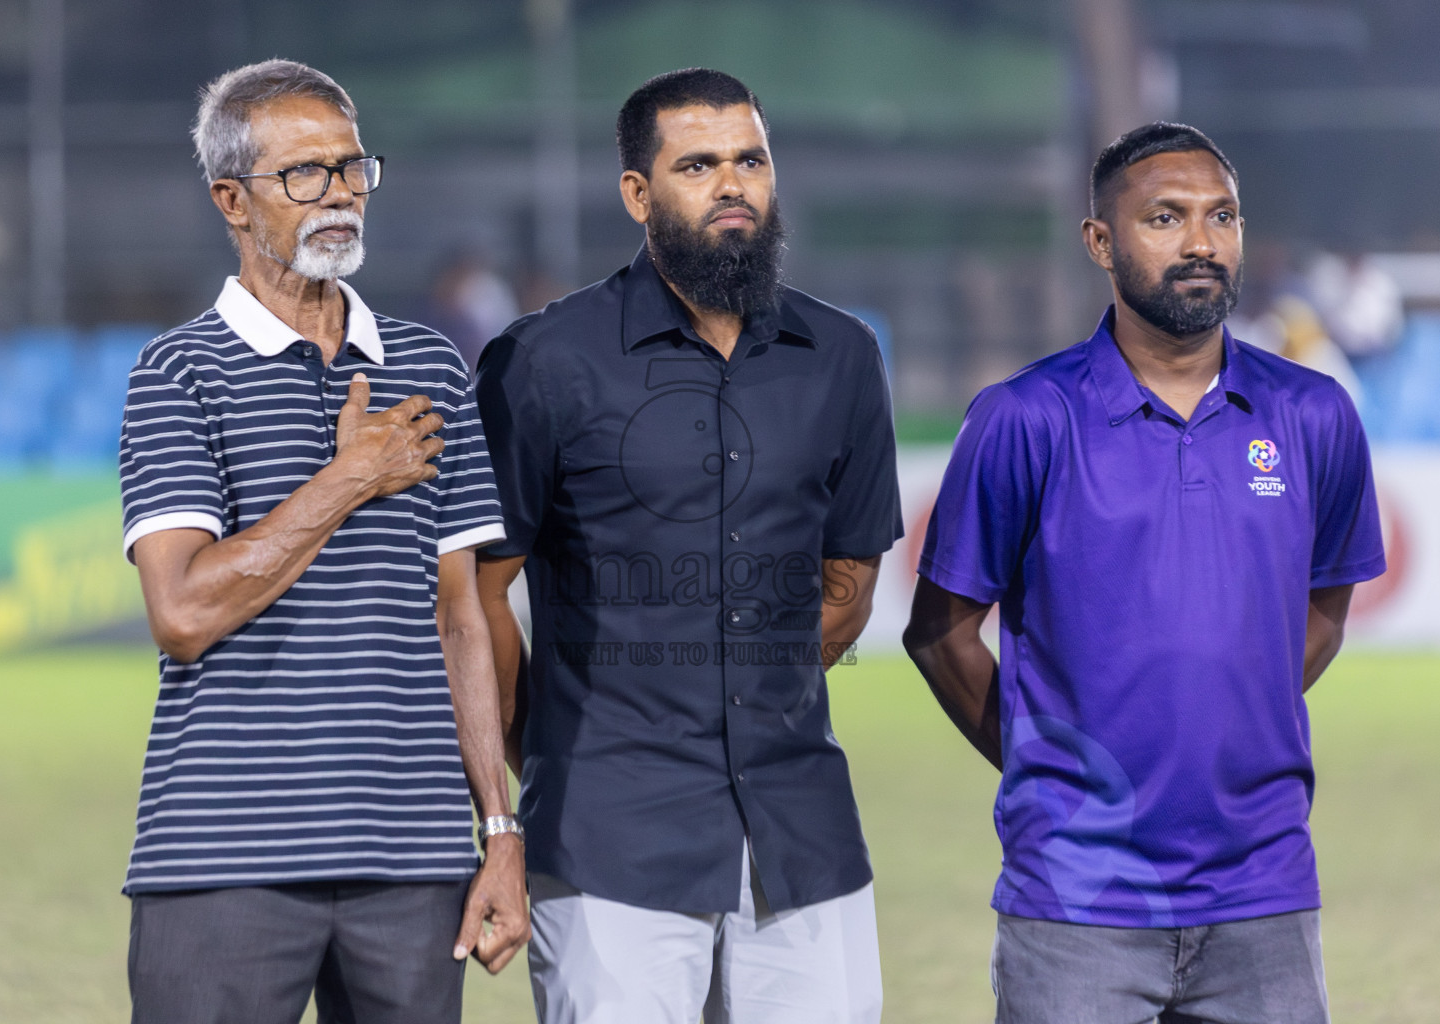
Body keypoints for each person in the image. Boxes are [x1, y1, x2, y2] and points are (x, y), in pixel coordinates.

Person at [904, 122, 1385, 1024]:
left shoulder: (1315, 414)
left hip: (1265, 890)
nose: (1202, 242)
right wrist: (1053, 766)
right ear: (1100, 242)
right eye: (1165, 218)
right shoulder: (1024, 418)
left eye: (1222, 217)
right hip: (1077, 900)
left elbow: (1322, 613)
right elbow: (939, 632)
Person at [473, 68, 901, 1023]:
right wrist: (542, 749)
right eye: (699, 164)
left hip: (804, 836)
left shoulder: (841, 356)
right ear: (638, 194)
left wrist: (754, 691)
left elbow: (851, 576)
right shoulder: (543, 361)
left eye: (751, 159)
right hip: (607, 842)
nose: (733, 184)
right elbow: (475, 593)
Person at [117, 59, 528, 1024]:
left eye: (350, 168)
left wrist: (499, 829)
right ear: (232, 199)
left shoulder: (431, 366)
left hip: (415, 867)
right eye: (304, 174)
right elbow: (181, 615)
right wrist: (349, 477)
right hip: (220, 863)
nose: (338, 193)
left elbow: (461, 617)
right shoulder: (176, 372)